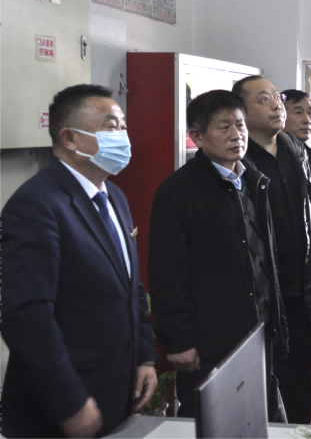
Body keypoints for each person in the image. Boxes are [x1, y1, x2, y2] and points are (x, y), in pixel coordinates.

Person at [0, 84, 157, 438]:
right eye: (111, 126)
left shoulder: (114, 196)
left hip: (115, 394)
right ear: (70, 138)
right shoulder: (37, 205)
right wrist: (69, 403)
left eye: (124, 127)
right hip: (61, 411)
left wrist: (144, 357)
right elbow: (26, 317)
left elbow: (131, 286)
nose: (123, 137)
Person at [148, 90, 287, 419]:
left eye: (240, 125)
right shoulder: (178, 192)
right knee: (213, 422)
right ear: (196, 137)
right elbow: (166, 274)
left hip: (259, 329)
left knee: (259, 419)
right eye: (224, 127)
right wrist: (179, 340)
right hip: (210, 339)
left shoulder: (253, 179)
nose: (237, 135)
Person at [231, 77, 311, 424]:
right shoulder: (239, 160)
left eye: (276, 97)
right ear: (242, 111)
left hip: (300, 288)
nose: (276, 105)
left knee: (301, 372)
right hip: (259, 292)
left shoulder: (296, 149)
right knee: (263, 378)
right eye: (264, 99)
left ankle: (299, 431)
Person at [281, 88, 311, 236]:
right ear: (280, 115)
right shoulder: (273, 159)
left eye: (310, 113)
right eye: (298, 112)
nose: (307, 119)